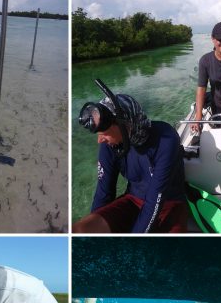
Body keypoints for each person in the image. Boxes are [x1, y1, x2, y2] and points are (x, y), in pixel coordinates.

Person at [73, 81, 187, 233]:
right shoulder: (109, 145)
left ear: (125, 125)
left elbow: (155, 201)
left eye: (104, 134)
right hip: (133, 200)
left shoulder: (166, 139)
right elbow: (104, 193)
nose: (99, 140)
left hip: (169, 204)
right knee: (82, 229)